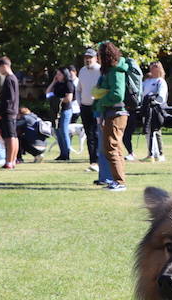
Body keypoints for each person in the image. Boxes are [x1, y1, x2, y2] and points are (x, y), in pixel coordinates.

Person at [94, 40, 132, 191]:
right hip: (111, 113)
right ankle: (118, 180)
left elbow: (117, 95)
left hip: (116, 113)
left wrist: (101, 99)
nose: (97, 58)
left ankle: (119, 181)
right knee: (115, 147)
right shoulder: (111, 71)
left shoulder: (116, 71)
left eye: (99, 55)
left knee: (111, 147)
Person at [76, 47, 111, 182]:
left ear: (96, 58)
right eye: (86, 57)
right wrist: (80, 103)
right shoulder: (82, 71)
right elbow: (78, 89)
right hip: (85, 107)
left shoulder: (100, 70)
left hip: (97, 106)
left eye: (90, 57)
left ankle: (98, 161)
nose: (88, 60)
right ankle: (93, 162)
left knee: (97, 134)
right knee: (89, 134)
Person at [0, 56, 20, 169]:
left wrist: (1, 111)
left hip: (8, 111)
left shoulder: (9, 79)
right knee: (13, 136)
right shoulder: (13, 78)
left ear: (4, 66)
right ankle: (12, 160)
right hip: (12, 111)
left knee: (10, 137)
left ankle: (9, 161)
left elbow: (9, 98)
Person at [141, 61, 169, 161]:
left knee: (156, 131)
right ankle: (151, 153)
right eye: (151, 67)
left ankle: (159, 154)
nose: (153, 69)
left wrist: (155, 101)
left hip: (156, 109)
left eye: (155, 67)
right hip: (147, 108)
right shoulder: (147, 81)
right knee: (148, 131)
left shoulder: (160, 81)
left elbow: (161, 96)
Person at [45, 65, 75, 161]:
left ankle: (67, 154)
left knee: (63, 130)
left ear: (64, 74)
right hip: (56, 111)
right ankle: (62, 153)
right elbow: (47, 93)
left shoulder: (68, 83)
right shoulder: (57, 84)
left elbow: (69, 98)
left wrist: (58, 100)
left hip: (65, 110)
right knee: (57, 132)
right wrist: (53, 82)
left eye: (59, 74)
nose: (57, 76)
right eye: (56, 74)